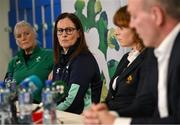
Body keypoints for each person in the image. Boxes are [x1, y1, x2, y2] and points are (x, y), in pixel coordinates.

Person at [84, 0, 180, 124]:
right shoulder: (153, 52)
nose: (132, 25)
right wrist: (110, 114)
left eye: (134, 17)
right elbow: (145, 104)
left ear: (157, 15)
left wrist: (116, 122)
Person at [52, 12, 102, 114]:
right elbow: (55, 94)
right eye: (60, 31)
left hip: (83, 118)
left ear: (79, 33)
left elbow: (72, 101)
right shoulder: (60, 59)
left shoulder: (83, 60)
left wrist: (51, 112)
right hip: (65, 116)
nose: (64, 34)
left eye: (69, 30)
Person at [5, 20, 54, 103]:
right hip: (18, 106)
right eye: (19, 36)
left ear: (34, 34)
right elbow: (8, 87)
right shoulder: (13, 62)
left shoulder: (50, 55)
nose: (23, 38)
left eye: (27, 34)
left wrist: (56, 70)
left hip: (42, 106)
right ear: (16, 41)